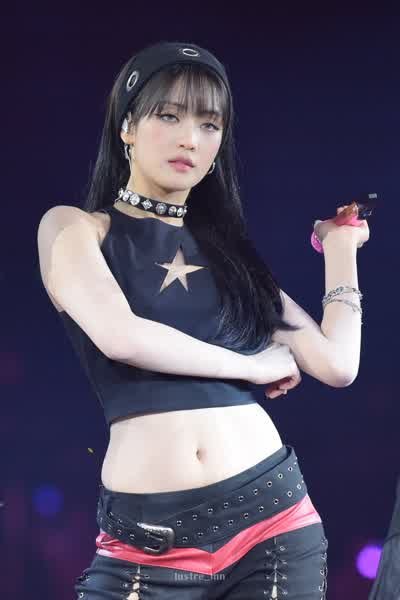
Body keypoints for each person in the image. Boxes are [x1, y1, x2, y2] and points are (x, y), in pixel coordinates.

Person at [37, 40, 369, 599]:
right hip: (146, 545)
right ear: (127, 127)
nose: (190, 138)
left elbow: (338, 365)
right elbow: (121, 336)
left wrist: (341, 251)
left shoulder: (231, 259)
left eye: (209, 125)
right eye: (169, 116)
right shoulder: (74, 228)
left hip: (273, 525)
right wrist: (252, 366)